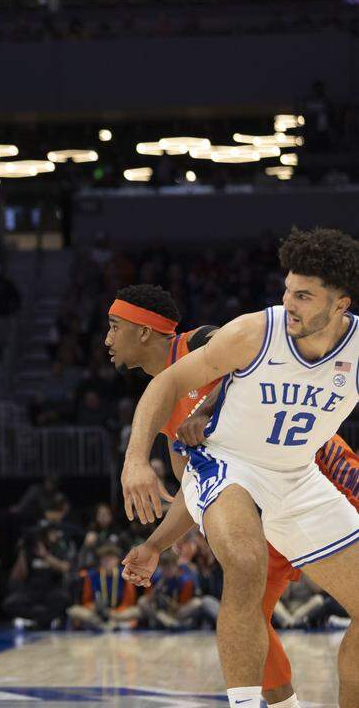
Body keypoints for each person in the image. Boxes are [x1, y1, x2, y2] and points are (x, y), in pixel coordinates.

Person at [121, 228, 359, 708]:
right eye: (288, 290)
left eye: (305, 296)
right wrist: (135, 461)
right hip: (229, 463)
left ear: (340, 305)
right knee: (246, 564)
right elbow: (166, 383)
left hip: (298, 474)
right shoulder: (255, 331)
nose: (289, 303)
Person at [66, 545, 139, 631]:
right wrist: (93, 607)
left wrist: (113, 613)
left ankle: (107, 625)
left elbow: (128, 602)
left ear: (117, 560)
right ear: (100, 560)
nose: (107, 562)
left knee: (137, 611)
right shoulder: (92, 575)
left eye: (110, 559)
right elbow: (87, 600)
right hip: (97, 614)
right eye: (105, 559)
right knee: (74, 610)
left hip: (118, 613)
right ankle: (107, 625)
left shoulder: (125, 576)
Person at [137, 551, 203, 630]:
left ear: (176, 566)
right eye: (163, 568)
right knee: (141, 601)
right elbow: (148, 599)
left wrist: (170, 603)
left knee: (197, 603)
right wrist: (156, 590)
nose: (166, 572)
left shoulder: (185, 581)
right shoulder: (157, 578)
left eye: (169, 568)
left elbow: (181, 605)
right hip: (161, 612)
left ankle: (172, 621)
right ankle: (165, 620)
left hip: (179, 610)